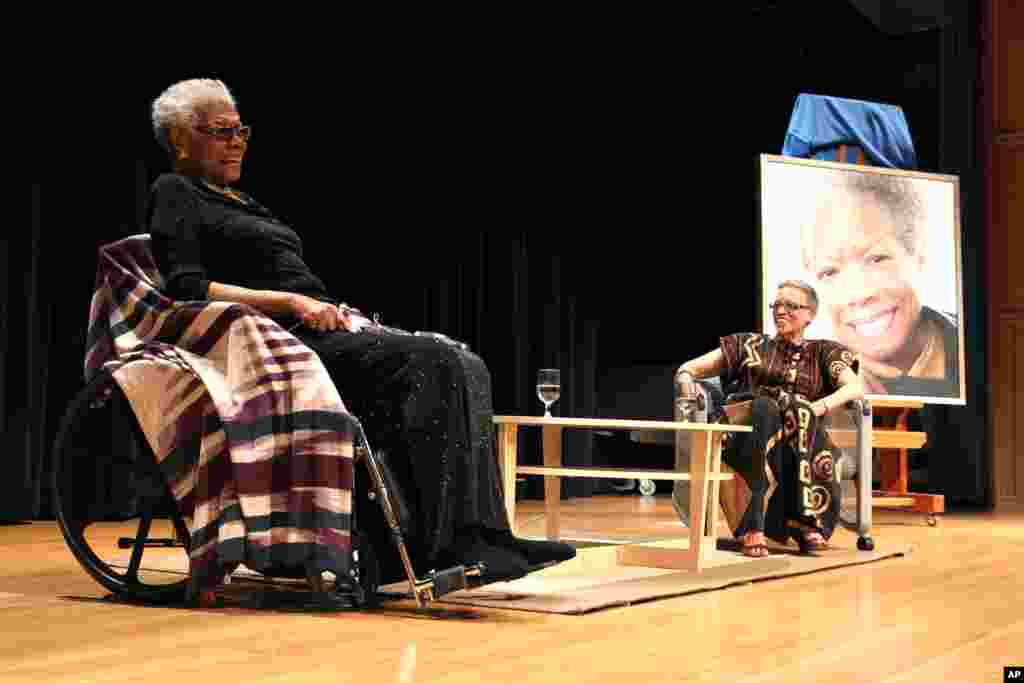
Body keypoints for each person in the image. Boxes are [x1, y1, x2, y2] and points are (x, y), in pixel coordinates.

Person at [146, 78, 574, 587]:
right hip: (274, 346)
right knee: (431, 363)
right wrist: (294, 301)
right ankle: (445, 545)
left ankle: (484, 535)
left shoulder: (242, 201)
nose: (237, 141)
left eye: (241, 130)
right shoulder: (175, 192)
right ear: (180, 140)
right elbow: (188, 289)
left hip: (315, 329)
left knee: (461, 358)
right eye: (221, 132)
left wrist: (329, 307)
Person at [676, 280, 864, 557]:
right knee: (765, 408)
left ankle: (801, 519)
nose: (781, 311)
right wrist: (684, 380)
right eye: (777, 305)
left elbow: (855, 387)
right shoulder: (749, 344)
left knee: (797, 409)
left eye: (791, 306)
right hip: (746, 430)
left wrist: (817, 408)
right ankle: (758, 526)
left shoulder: (824, 352)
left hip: (798, 435)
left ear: (810, 314)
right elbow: (688, 368)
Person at [800, 171, 960, 399]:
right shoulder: (808, 384)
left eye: (876, 259)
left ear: (919, 254)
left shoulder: (980, 355)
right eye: (830, 272)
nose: (857, 294)